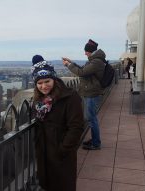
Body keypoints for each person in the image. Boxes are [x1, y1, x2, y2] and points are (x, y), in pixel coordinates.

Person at [32, 55, 85, 191]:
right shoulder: (39, 101)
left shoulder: (70, 97)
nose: (43, 86)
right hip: (44, 154)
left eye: (47, 81)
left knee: (63, 185)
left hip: (61, 155)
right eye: (39, 83)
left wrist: (62, 150)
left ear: (54, 79)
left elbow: (76, 127)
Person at [62, 39, 106, 150]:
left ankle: (96, 143)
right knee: (91, 118)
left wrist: (68, 65)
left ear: (90, 51)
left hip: (92, 92)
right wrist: (71, 62)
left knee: (91, 118)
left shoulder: (96, 62)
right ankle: (94, 140)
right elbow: (84, 69)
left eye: (86, 51)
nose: (85, 53)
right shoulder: (95, 60)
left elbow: (81, 72)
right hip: (90, 91)